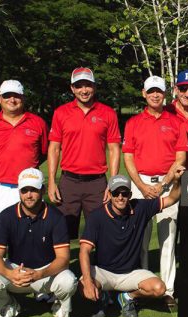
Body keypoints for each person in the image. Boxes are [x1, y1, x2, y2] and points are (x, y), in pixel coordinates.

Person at [0, 168, 77, 317]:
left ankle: (62, 309)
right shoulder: (6, 216)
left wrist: (40, 274)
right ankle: (7, 307)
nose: (29, 195)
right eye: (24, 190)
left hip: (45, 272)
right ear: (19, 192)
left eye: (34, 190)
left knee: (68, 280)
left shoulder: (56, 217)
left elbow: (63, 258)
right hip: (16, 271)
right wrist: (9, 273)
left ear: (43, 190)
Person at [79, 169, 184, 317]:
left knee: (159, 288)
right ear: (109, 194)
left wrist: (177, 181)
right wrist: (88, 282)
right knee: (81, 285)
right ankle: (102, 299)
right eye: (116, 193)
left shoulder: (140, 207)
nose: (120, 197)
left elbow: (172, 199)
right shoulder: (97, 216)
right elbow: (84, 251)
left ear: (130, 194)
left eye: (124, 193)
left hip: (130, 273)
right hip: (104, 272)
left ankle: (127, 297)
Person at [122, 76, 187, 308]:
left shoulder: (176, 122)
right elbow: (128, 157)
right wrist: (140, 186)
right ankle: (142, 286)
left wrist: (163, 183)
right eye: (151, 92)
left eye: (159, 91)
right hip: (141, 186)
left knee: (168, 239)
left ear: (165, 94)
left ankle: (167, 289)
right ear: (144, 94)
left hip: (167, 185)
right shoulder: (133, 123)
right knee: (140, 238)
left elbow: (180, 157)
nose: (155, 95)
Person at [47, 67, 122, 239]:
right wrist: (51, 182)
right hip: (69, 182)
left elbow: (114, 149)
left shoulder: (108, 113)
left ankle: (98, 266)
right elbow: (54, 148)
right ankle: (64, 267)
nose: (84, 90)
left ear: (94, 87)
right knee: (63, 233)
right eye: (79, 86)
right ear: (72, 88)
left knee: (100, 233)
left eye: (87, 85)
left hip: (97, 183)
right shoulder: (61, 113)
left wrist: (113, 182)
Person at [0, 80, 48, 229]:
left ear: (23, 98)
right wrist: (2, 169)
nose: (12, 100)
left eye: (16, 95)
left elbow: (42, 153)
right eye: (7, 96)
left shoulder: (38, 123)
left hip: (30, 188)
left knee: (31, 233)